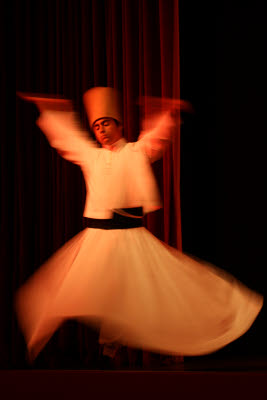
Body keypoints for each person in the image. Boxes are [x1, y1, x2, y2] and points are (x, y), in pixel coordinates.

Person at [15, 87, 263, 364]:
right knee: (67, 289)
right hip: (96, 237)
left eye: (106, 123)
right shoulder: (92, 156)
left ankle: (111, 347)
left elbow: (155, 138)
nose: (102, 130)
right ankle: (54, 339)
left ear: (119, 125)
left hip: (130, 237)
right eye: (97, 126)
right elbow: (68, 140)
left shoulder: (134, 152)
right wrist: (50, 111)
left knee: (138, 293)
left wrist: (169, 113)